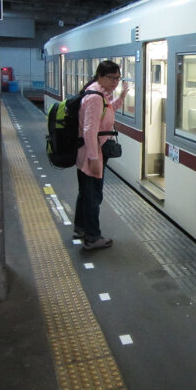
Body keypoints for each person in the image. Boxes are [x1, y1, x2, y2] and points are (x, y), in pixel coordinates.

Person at [73, 60, 128, 250]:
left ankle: (80, 228)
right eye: (111, 78)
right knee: (93, 196)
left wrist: (121, 97)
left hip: (89, 151)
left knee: (85, 193)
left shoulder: (99, 93)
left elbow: (107, 110)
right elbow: (89, 131)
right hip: (91, 153)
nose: (115, 82)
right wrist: (94, 159)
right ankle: (92, 238)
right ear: (100, 76)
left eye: (118, 78)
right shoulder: (96, 97)